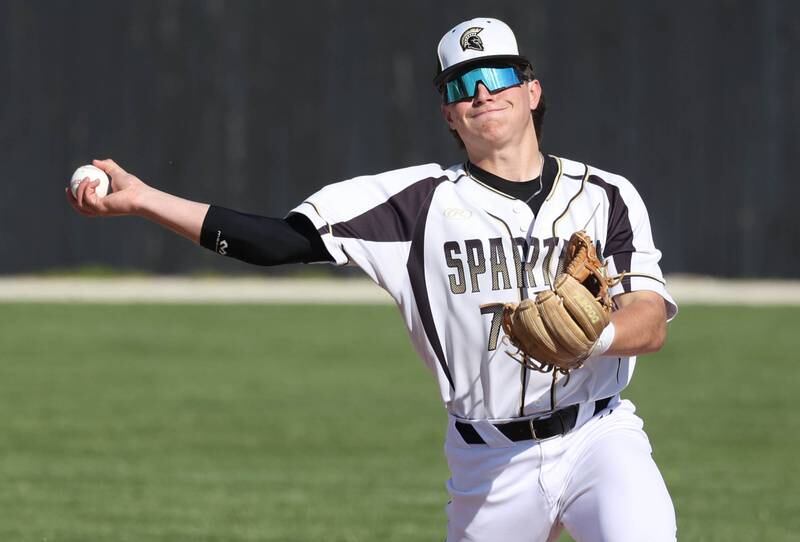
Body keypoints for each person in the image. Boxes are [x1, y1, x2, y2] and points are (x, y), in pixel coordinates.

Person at [67, 17, 677, 542]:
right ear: (448, 114)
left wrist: (592, 339)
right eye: (464, 85)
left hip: (599, 435)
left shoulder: (606, 197)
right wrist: (146, 200)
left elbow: (648, 320)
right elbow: (276, 243)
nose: (483, 93)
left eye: (499, 76)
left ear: (532, 91)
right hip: (489, 459)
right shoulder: (413, 205)